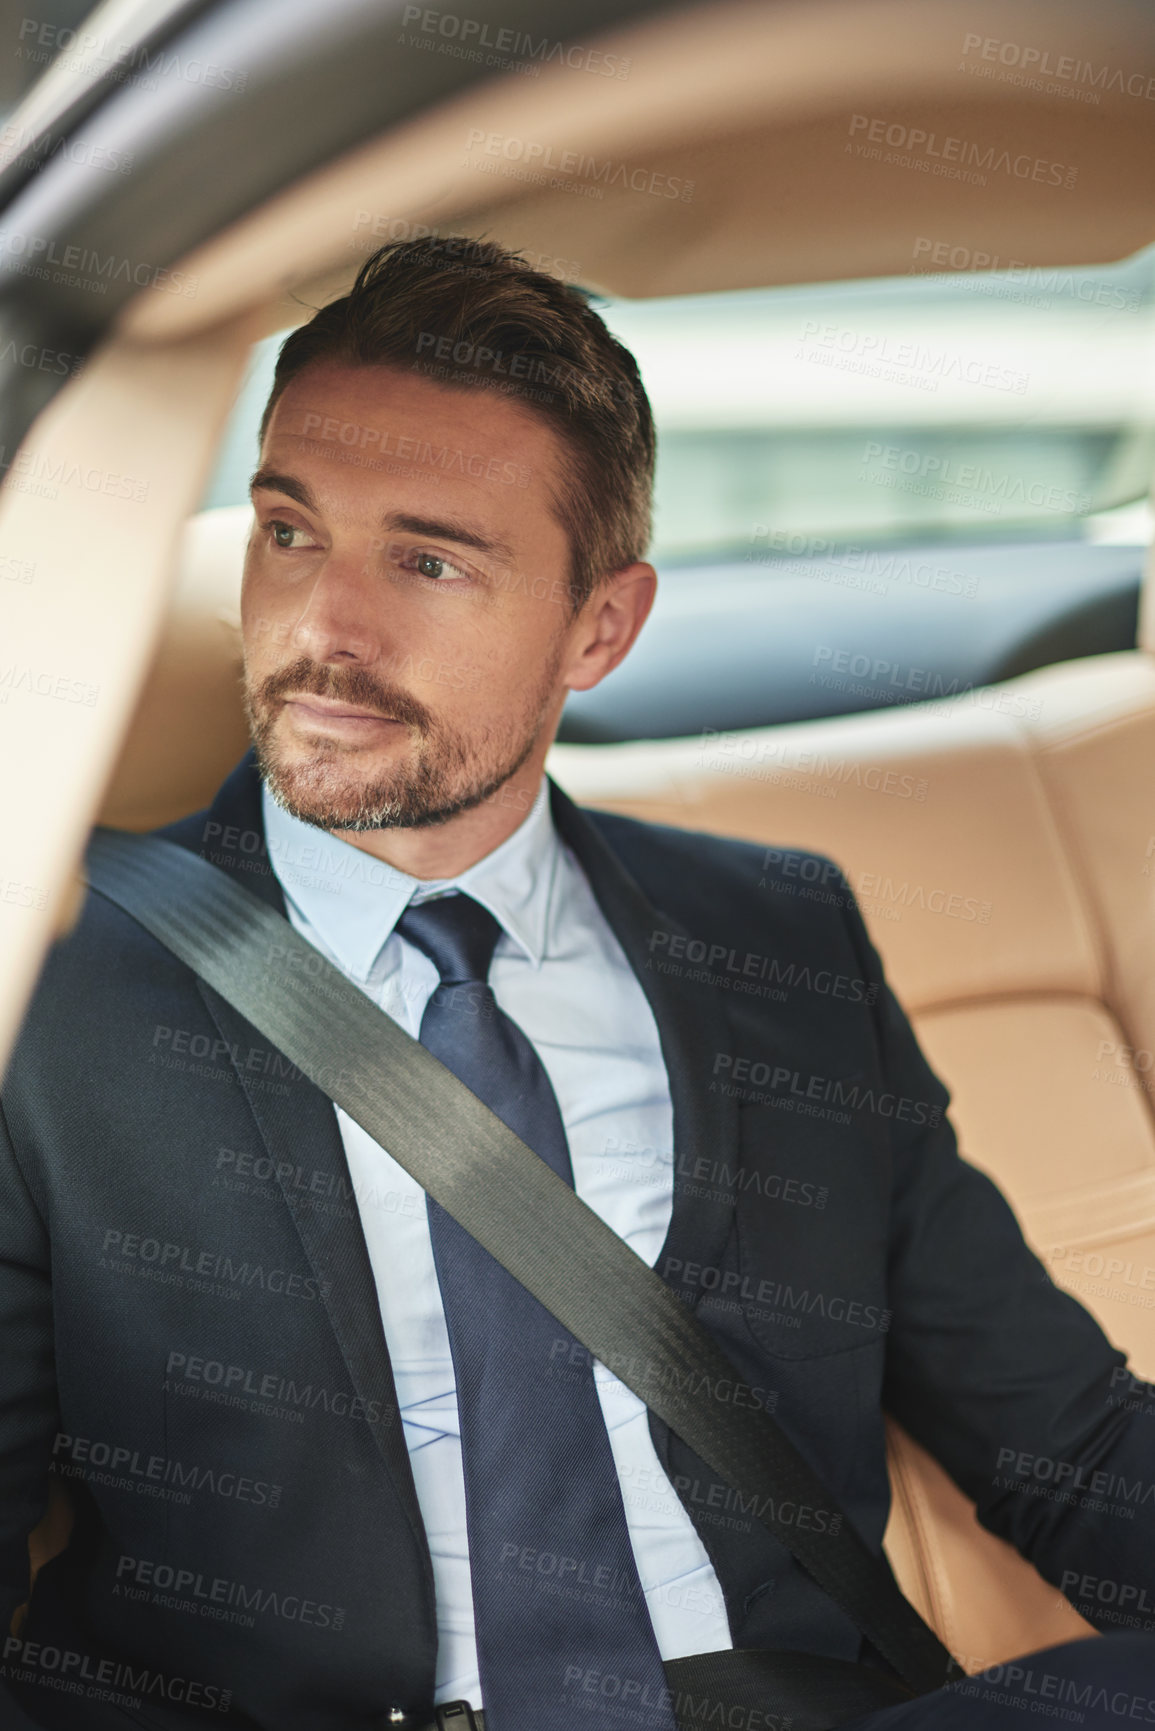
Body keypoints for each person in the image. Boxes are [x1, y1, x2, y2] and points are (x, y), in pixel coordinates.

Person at [1, 236, 1152, 1731]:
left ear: (600, 625)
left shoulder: (781, 945)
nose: (322, 630)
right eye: (290, 533)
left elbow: (1060, 1444)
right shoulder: (52, 970)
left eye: (427, 561)